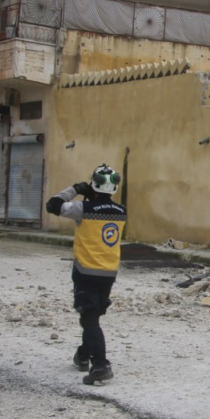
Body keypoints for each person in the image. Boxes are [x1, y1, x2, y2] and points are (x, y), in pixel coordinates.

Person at [45, 164, 126, 386]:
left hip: (86, 271)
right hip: (108, 272)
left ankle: (101, 365)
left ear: (94, 183)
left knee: (88, 318)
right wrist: (94, 195)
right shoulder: (121, 211)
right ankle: (82, 355)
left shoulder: (82, 208)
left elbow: (53, 205)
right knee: (93, 317)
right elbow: (102, 208)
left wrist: (76, 189)